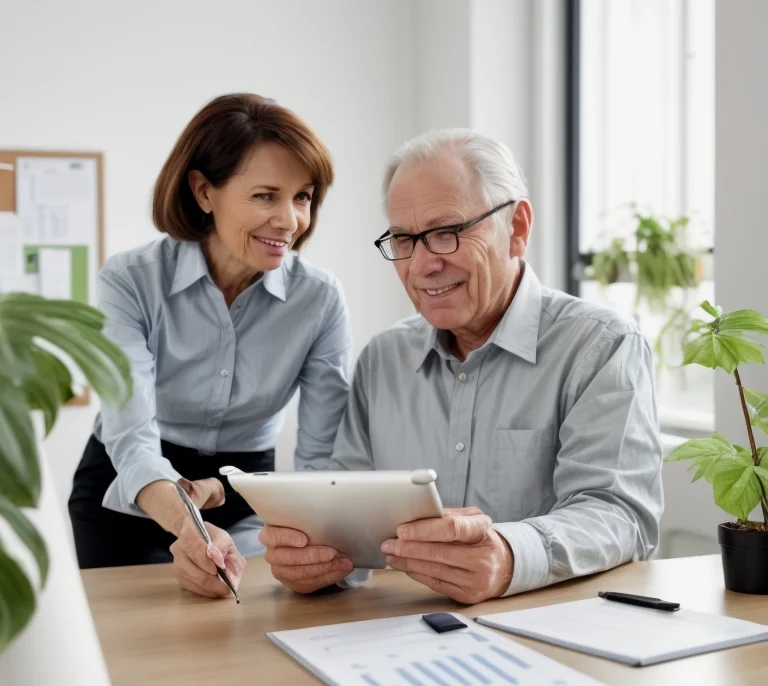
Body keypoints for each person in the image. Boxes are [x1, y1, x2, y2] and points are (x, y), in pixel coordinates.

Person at [259, 128, 664, 603]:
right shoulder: (384, 359)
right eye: (405, 240)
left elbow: (620, 517)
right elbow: (344, 514)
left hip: (551, 635)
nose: (422, 264)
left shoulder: (602, 346)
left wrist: (509, 556)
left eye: (446, 233)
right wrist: (317, 558)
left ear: (516, 229)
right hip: (397, 636)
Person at [68, 94, 352, 600]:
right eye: (266, 195)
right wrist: (193, 529)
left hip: (244, 489)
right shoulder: (131, 282)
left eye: (303, 196)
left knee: (242, 637)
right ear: (203, 191)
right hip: (125, 487)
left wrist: (311, 542)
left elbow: (319, 459)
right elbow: (131, 437)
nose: (290, 220)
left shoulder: (320, 300)